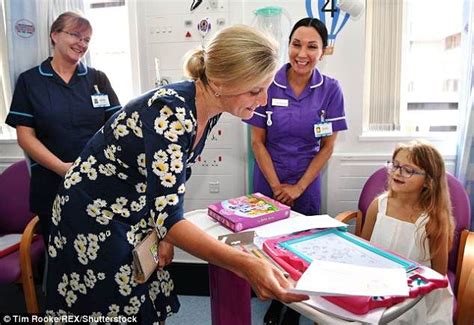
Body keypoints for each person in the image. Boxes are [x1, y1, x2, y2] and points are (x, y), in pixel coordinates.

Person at [44, 25, 308, 323]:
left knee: (143, 288)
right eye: (255, 90)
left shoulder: (206, 109)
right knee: (111, 300)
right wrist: (244, 264)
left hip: (133, 208)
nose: (262, 100)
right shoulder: (169, 112)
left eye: (267, 88)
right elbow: (168, 218)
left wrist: (164, 232)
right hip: (93, 217)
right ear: (221, 82)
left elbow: (171, 182)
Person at [243, 17, 347, 324]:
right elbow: (257, 142)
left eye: (312, 46)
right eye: (296, 44)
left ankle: (297, 305)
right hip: (268, 177)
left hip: (307, 179)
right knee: (268, 245)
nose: (302, 53)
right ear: (288, 46)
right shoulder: (268, 81)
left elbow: (327, 147)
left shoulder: (330, 90)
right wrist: (277, 187)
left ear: (323, 50)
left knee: (304, 244)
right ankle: (277, 299)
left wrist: (298, 188)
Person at [5, 12, 121, 246]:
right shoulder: (31, 81)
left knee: (100, 252)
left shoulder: (98, 79)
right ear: (55, 35)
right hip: (51, 184)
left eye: (87, 39)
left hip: (96, 182)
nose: (82, 43)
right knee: (61, 254)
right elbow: (25, 137)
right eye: (76, 35)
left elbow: (117, 128)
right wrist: (62, 169)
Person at [361, 139, 455, 324]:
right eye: (395, 165)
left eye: (408, 170)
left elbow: (439, 273)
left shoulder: (433, 220)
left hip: (418, 291)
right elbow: (362, 250)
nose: (397, 172)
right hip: (376, 282)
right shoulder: (378, 206)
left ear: (428, 181)